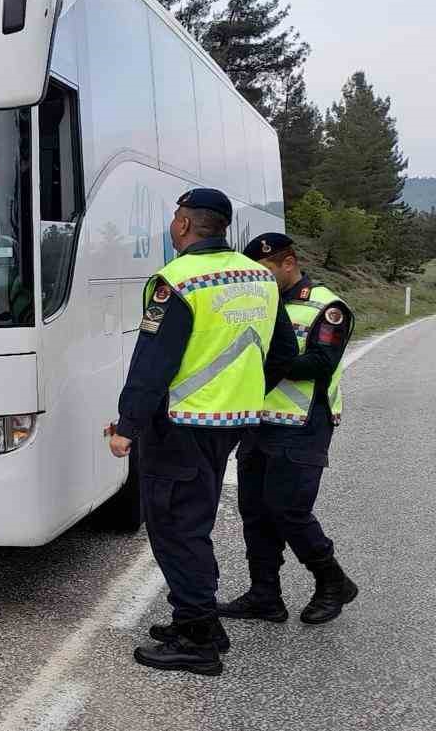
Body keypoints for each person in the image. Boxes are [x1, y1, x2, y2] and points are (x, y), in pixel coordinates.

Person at [107, 189, 296, 677]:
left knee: (176, 527)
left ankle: (196, 637)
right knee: (194, 521)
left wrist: (128, 425)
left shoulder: (177, 280)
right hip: (232, 423)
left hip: (182, 424)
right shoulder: (260, 275)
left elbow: (152, 362)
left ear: (186, 226)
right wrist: (243, 393)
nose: (173, 226)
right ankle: (203, 622)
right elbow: (282, 355)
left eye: (175, 218)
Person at [217, 232, 358, 626]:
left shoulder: (327, 307)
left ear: (288, 262)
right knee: (255, 512)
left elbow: (320, 363)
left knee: (288, 511)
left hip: (302, 424)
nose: (259, 279)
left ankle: (333, 582)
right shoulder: (259, 303)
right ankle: (265, 596)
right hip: (257, 421)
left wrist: (259, 365)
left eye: (265, 271)